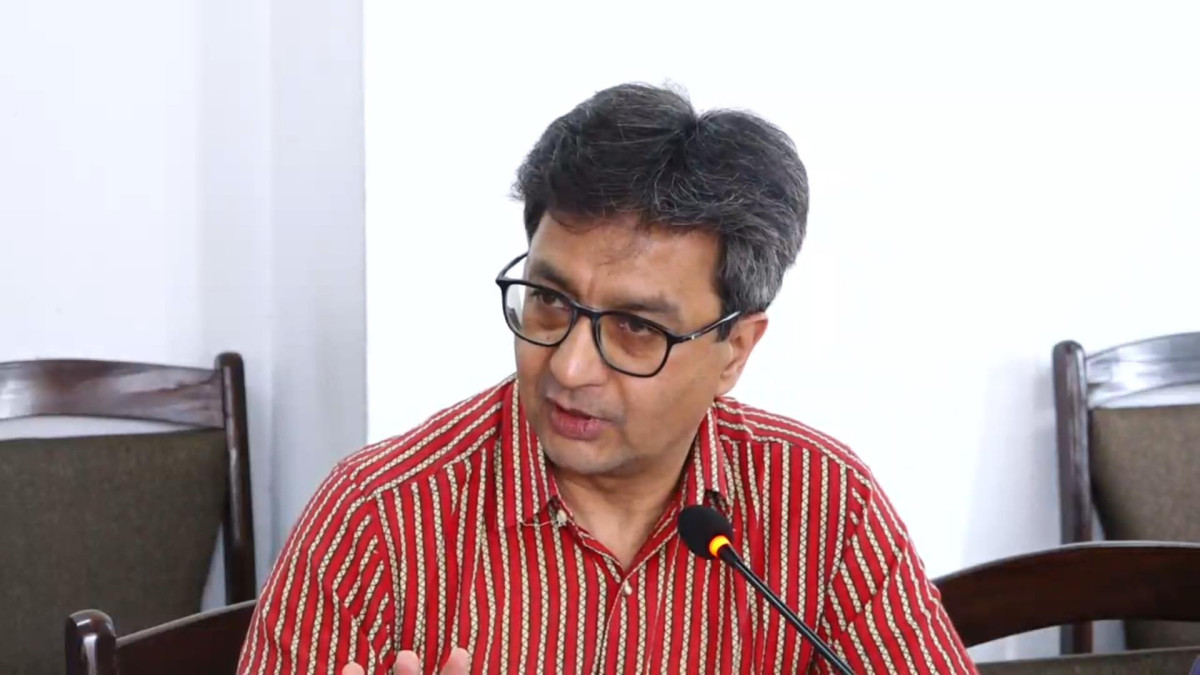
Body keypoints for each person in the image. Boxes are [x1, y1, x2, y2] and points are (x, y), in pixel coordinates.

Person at [237, 83, 976, 675]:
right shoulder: (377, 522)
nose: (568, 366)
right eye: (549, 300)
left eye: (636, 328)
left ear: (734, 351)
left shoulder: (824, 508)